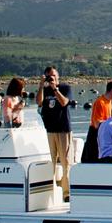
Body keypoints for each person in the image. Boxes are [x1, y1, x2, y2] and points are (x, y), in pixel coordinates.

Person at [37, 65, 74, 197]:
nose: (51, 78)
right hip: (49, 130)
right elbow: (39, 102)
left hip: (63, 129)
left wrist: (55, 89)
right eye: (48, 76)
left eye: (53, 75)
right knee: (50, 161)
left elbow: (64, 102)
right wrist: (42, 86)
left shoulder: (65, 88)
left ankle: (66, 193)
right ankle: (50, 191)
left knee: (66, 162)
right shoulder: (45, 90)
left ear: (57, 76)